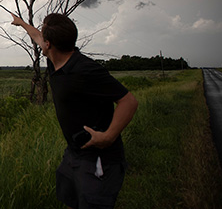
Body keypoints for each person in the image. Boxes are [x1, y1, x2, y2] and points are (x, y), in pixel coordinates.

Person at [10, 12, 138, 209]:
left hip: (99, 158)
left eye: (44, 38)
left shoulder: (85, 69)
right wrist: (21, 23)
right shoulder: (56, 60)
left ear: (49, 44)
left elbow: (128, 101)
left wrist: (108, 136)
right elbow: (37, 36)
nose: (40, 41)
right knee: (70, 200)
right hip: (74, 153)